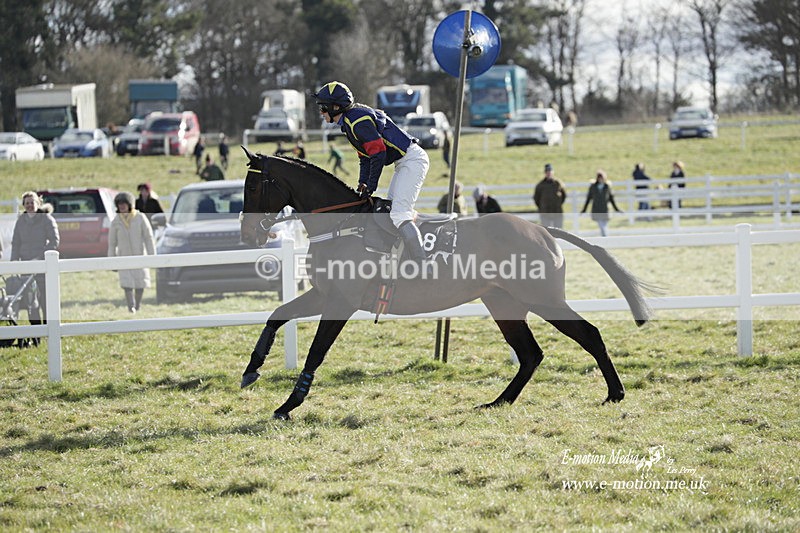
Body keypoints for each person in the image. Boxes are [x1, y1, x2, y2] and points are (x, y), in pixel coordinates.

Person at [314, 81, 431, 271]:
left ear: (336, 106)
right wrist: (363, 182)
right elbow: (365, 157)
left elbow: (378, 153)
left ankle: (423, 264)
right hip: (404, 162)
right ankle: (401, 256)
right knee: (391, 212)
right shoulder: (349, 122)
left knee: (399, 214)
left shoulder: (356, 122)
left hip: (412, 160)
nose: (321, 111)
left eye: (323, 107)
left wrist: (371, 186)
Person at [11, 191, 60, 340]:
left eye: (32, 202)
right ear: (24, 205)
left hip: (44, 266)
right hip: (26, 267)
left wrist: (39, 258)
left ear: (38, 203)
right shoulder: (21, 221)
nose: (30, 206)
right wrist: (14, 263)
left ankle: (50, 332)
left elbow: (54, 241)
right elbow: (16, 243)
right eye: (27, 203)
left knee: (45, 300)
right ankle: (36, 335)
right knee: (31, 302)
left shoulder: (46, 219)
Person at [108, 192, 156, 313]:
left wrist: (152, 256)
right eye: (120, 204)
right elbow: (112, 243)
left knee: (140, 283)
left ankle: (138, 305)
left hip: (140, 255)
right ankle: (131, 307)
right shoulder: (115, 222)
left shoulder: (140, 218)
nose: (122, 207)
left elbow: (148, 237)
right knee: (126, 283)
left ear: (129, 205)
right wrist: (111, 260)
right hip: (123, 256)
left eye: (124, 204)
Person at [580, 170, 622, 236]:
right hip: (597, 209)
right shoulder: (593, 187)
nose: (601, 179)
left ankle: (605, 238)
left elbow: (611, 199)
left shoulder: (607, 187)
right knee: (602, 225)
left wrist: (617, 209)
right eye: (599, 178)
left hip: (605, 209)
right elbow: (588, 199)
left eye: (602, 178)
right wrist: (584, 209)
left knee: (604, 225)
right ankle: (605, 237)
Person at [533, 163, 567, 228]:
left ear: (553, 172)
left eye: (550, 171)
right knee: (547, 231)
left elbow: (564, 196)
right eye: (547, 172)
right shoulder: (540, 185)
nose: (548, 173)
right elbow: (536, 198)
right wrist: (542, 207)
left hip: (557, 212)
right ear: (545, 173)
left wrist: (558, 204)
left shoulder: (558, 183)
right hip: (545, 213)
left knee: (559, 231)